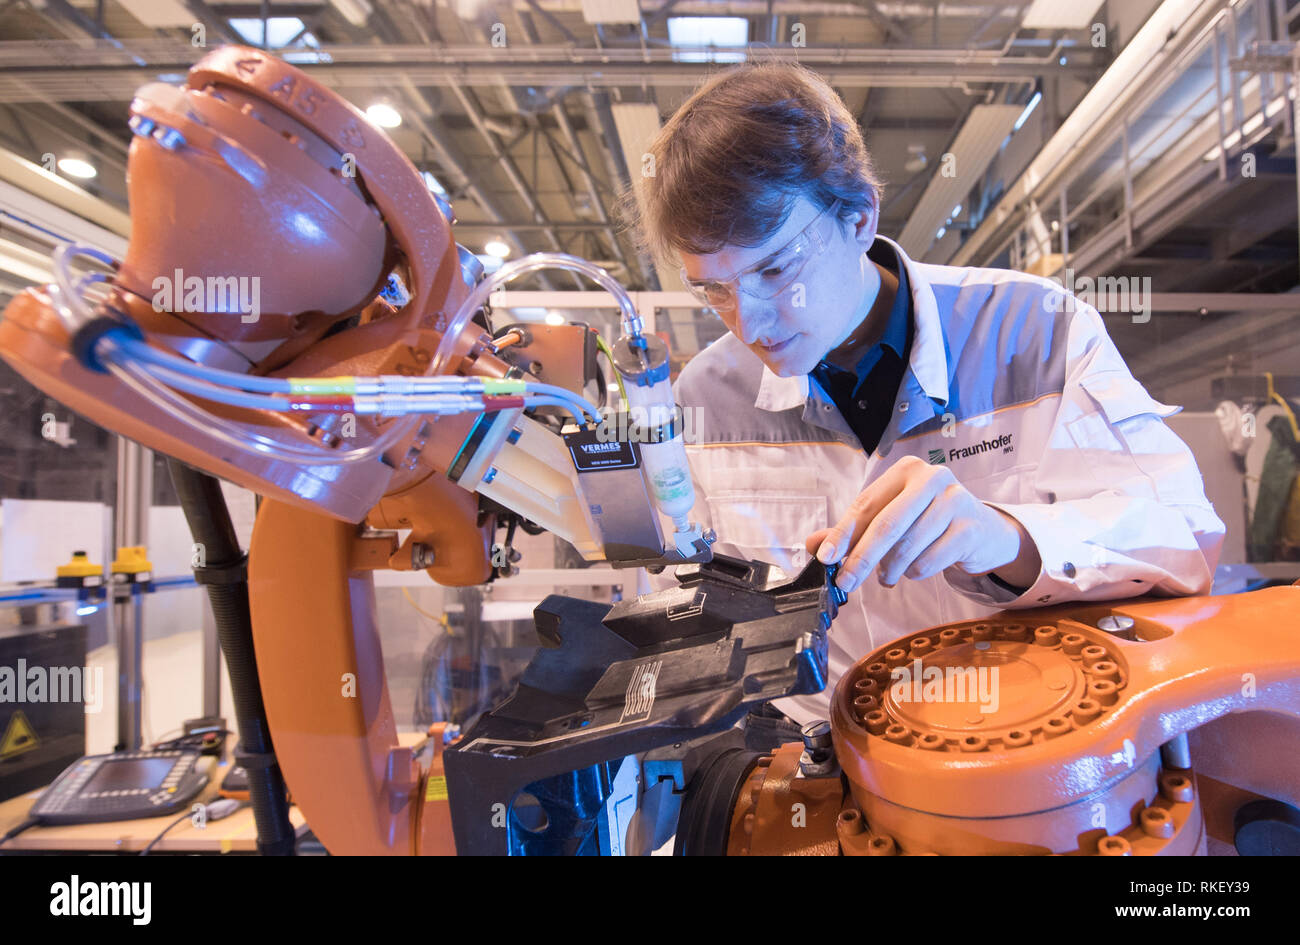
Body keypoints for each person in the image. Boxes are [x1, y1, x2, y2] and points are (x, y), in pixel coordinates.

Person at [628, 62, 1226, 726]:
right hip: (823, 783)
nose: (750, 322)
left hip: (1020, 761)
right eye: (714, 288)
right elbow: (683, 606)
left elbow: (1188, 537)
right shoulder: (705, 395)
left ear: (857, 217)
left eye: (773, 267)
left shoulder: (1034, 333)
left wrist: (1004, 538)